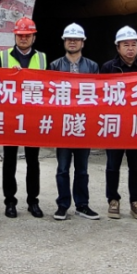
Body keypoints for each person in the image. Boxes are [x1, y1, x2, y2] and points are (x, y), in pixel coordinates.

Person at [48, 23, 101, 221]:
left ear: (83, 42)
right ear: (64, 42)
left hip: (83, 125)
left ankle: (82, 205)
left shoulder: (92, 66)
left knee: (82, 169)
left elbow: (98, 96)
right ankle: (62, 205)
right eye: (69, 39)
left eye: (76, 39)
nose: (72, 42)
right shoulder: (54, 66)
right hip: (63, 125)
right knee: (62, 169)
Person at [101, 26, 137, 220]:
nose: (130, 48)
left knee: (136, 167)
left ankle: (136, 201)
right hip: (115, 125)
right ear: (118, 47)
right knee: (112, 166)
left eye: (133, 44)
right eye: (126, 45)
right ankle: (113, 200)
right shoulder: (108, 68)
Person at [0, 17, 47, 219]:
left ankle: (33, 201)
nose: (24, 39)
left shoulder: (43, 58)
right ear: (15, 37)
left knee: (33, 161)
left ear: (33, 37)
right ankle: (10, 201)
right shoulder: (2, 57)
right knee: (9, 161)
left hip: (32, 118)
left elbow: (48, 87)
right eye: (20, 36)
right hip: (10, 117)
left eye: (27, 35)